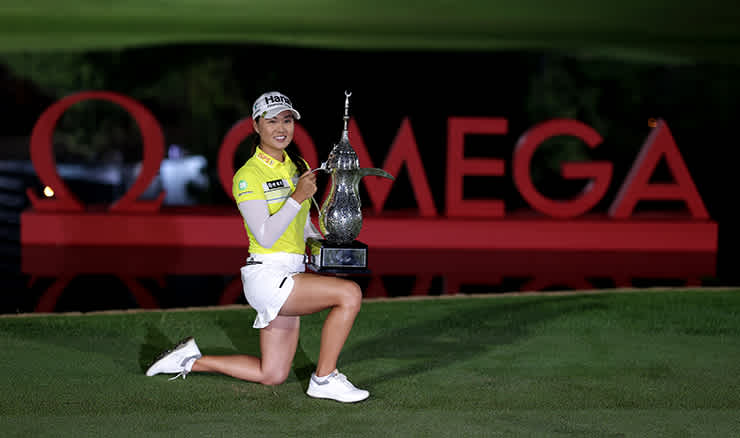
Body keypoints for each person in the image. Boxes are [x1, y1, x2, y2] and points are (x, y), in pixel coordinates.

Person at [146, 91, 369, 403]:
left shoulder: (298, 165)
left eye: (287, 120)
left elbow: (302, 225)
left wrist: (327, 248)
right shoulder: (247, 176)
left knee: (272, 373)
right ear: (256, 126)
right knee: (349, 295)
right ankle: (324, 378)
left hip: (292, 272)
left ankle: (188, 360)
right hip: (268, 276)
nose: (281, 128)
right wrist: (297, 197)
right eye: (272, 121)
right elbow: (264, 235)